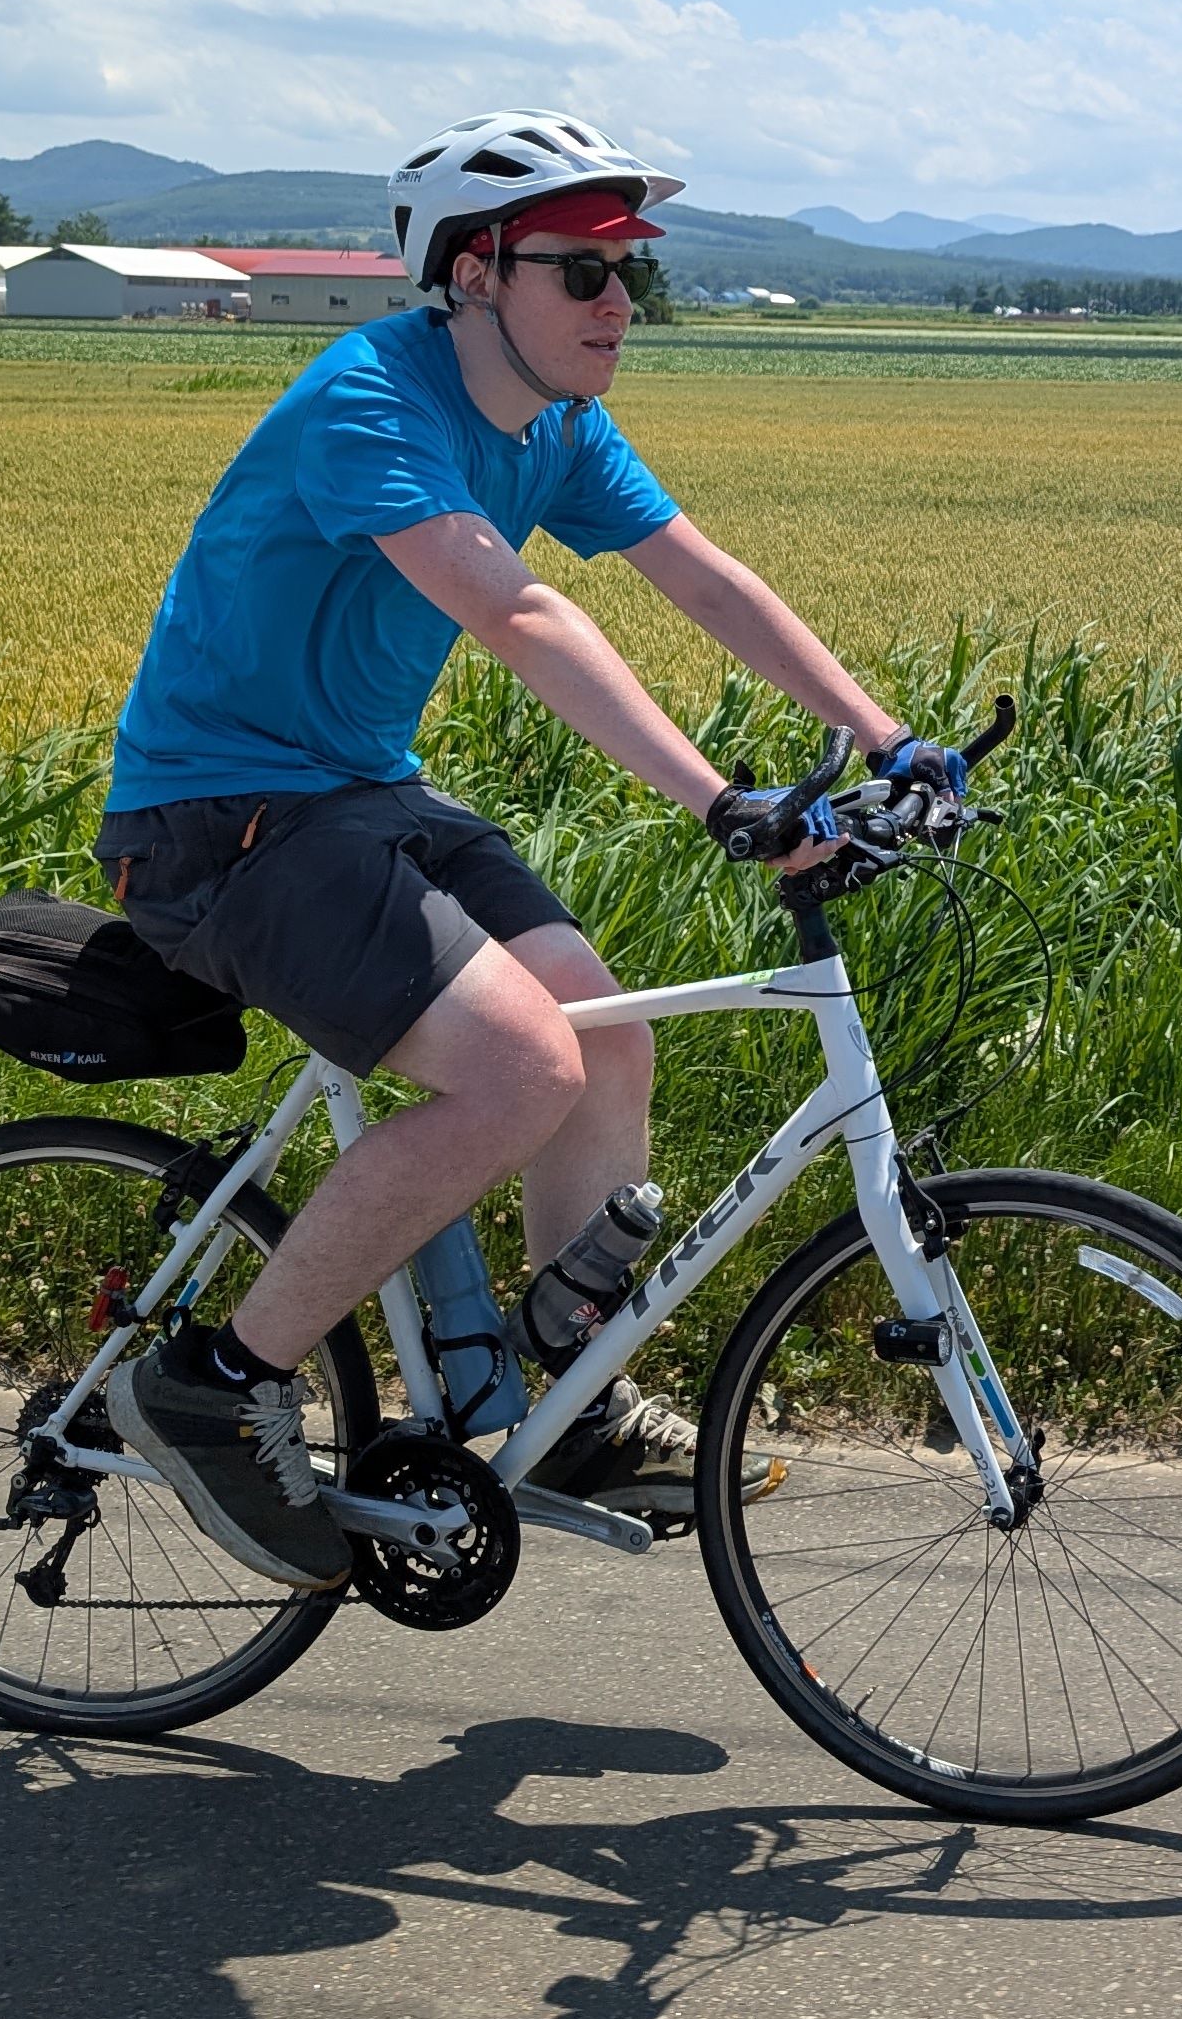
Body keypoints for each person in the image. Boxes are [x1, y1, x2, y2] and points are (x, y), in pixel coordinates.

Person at [97, 110, 961, 1590]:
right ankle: (215, 1381)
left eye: (631, 272)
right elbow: (519, 615)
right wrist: (722, 804)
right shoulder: (367, 399)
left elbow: (703, 577)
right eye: (582, 271)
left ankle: (563, 1412)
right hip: (217, 821)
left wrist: (889, 742)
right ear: (478, 273)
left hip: (361, 793)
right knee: (520, 1067)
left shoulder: (553, 423)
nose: (619, 302)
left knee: (605, 1038)